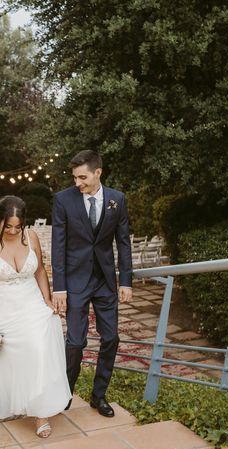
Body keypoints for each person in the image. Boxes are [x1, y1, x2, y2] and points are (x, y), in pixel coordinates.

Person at [0, 196, 71, 438]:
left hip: (31, 302)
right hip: (2, 306)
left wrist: (48, 300)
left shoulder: (31, 237)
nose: (12, 231)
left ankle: (41, 412)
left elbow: (40, 270)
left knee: (39, 345)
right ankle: (13, 399)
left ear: (24, 224)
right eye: (7, 226)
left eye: (17, 227)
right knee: (8, 356)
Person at [51, 150, 133, 417]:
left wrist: (126, 280)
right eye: (75, 178)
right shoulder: (63, 200)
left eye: (82, 177)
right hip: (75, 281)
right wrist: (59, 287)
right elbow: (58, 246)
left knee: (111, 338)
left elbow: (123, 242)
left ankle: (99, 396)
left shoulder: (117, 200)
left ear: (98, 172)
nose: (78, 183)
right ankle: (65, 394)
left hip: (106, 282)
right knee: (76, 342)